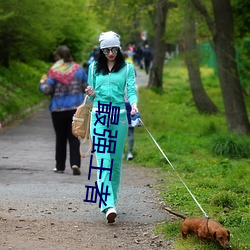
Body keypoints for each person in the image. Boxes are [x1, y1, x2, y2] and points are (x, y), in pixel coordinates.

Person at [85, 31, 138, 223]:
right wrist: (90, 92)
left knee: (115, 163)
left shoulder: (127, 68)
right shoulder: (93, 68)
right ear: (101, 50)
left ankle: (111, 202)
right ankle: (107, 204)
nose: (110, 53)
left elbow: (131, 90)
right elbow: (91, 97)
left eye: (114, 49)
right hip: (99, 115)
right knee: (104, 161)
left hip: (119, 116)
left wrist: (133, 104)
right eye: (106, 50)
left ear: (119, 48)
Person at [39, 45, 88, 175]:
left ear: (58, 57)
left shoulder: (54, 71)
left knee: (60, 138)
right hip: (75, 109)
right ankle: (75, 163)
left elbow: (47, 90)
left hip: (58, 109)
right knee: (73, 137)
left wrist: (42, 83)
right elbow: (86, 87)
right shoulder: (79, 70)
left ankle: (60, 166)